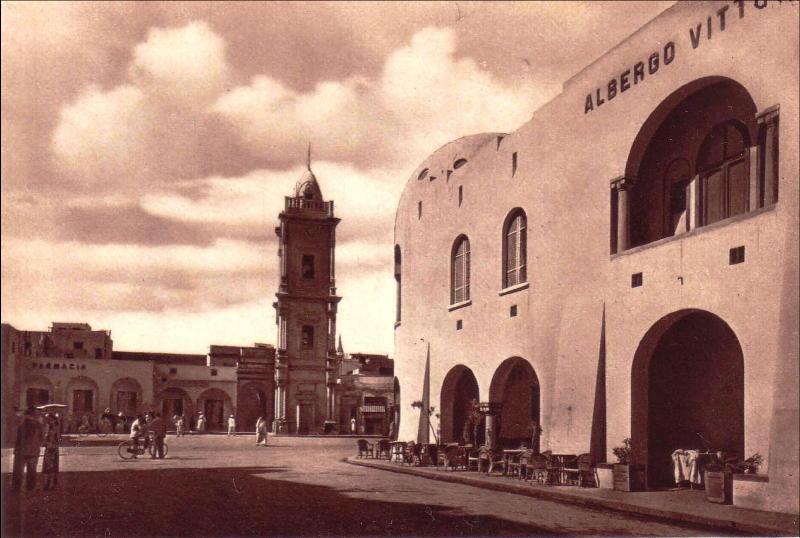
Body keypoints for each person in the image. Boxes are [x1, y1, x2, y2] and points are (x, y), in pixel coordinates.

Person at [12, 406, 43, 491]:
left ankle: (16, 487)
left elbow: (18, 437)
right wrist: (37, 445)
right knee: (32, 470)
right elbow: (41, 437)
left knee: (18, 470)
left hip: (21, 450)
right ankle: (31, 487)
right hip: (33, 450)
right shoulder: (38, 425)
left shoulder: (22, 424)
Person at [42, 413, 61, 490]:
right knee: (52, 466)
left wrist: (47, 441)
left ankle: (48, 483)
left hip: (50, 448)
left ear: (52, 419)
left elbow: (46, 437)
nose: (47, 420)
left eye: (49, 418)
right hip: (54, 447)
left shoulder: (50, 427)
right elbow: (58, 439)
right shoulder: (56, 426)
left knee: (48, 466)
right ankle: (52, 483)